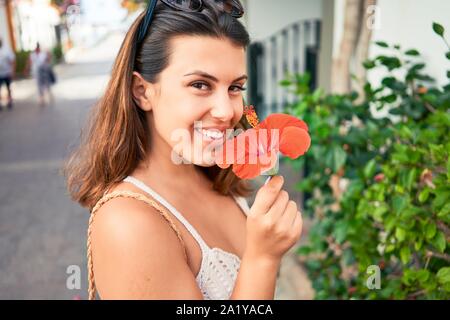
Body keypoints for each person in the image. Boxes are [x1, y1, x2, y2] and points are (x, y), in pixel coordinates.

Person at [65, 0, 302, 300]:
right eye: (201, 84)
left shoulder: (213, 178)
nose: (226, 111)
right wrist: (263, 259)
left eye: (235, 88)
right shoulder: (128, 224)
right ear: (142, 92)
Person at [0, 38, 15, 110]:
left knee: (8, 87)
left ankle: (9, 101)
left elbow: (12, 61)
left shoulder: (7, 49)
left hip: (7, 72)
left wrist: (12, 71)